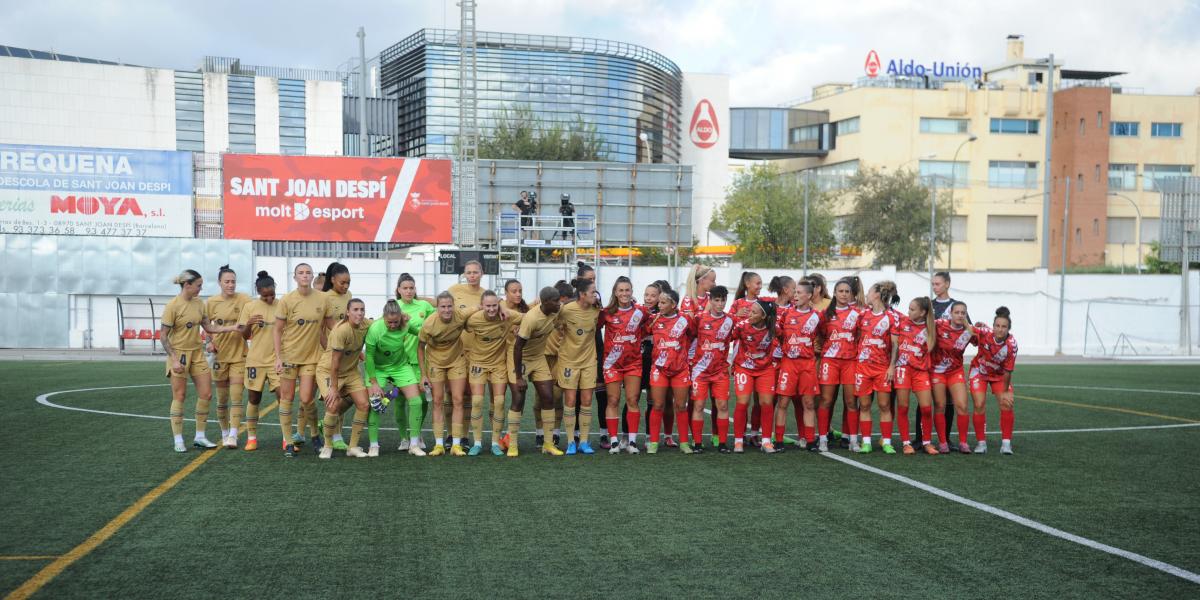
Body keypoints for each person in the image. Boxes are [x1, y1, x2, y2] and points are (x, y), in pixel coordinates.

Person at [160, 269, 238, 452]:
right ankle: (178, 439)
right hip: (179, 355)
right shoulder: (172, 306)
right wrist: (174, 359)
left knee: (206, 394)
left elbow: (208, 327)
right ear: (187, 285)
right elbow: (163, 336)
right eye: (198, 286)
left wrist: (232, 327)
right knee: (179, 396)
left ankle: (200, 436)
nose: (200, 289)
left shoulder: (199, 304)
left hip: (197, 353)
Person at [370, 273, 435, 453]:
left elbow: (435, 321)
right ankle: (404, 438)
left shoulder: (424, 306)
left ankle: (417, 433)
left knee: (422, 401)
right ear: (398, 290)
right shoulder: (393, 308)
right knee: (399, 401)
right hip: (399, 363)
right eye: (405, 288)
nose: (408, 291)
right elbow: (381, 328)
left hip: (420, 360)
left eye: (411, 287)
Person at [273, 263, 329, 457]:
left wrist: (331, 350)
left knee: (306, 399)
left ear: (312, 276)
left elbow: (326, 327)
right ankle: (288, 442)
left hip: (311, 357)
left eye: (308, 273)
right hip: (289, 356)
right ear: (295, 277)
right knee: (286, 398)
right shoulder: (287, 300)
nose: (305, 276)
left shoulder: (322, 298)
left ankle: (314, 435)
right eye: (301, 273)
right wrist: (278, 357)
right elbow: (277, 330)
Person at [363, 300, 425, 457]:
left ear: (401, 318)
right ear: (383, 317)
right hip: (378, 369)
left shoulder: (404, 324)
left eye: (396, 322)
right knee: (375, 403)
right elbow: (369, 356)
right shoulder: (375, 329)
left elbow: (420, 333)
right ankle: (374, 445)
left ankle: (414, 444)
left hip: (400, 367)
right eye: (389, 322)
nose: (392, 325)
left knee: (416, 401)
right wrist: (374, 383)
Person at [317, 298, 373, 459]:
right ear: (347, 313)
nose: (359, 313)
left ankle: (353, 447)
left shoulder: (366, 324)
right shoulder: (340, 330)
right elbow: (334, 364)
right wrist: (334, 388)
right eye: (355, 310)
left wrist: (401, 315)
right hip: (328, 371)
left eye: (362, 309)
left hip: (350, 371)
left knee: (363, 404)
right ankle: (327, 446)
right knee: (333, 406)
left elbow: (382, 322)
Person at [513, 286, 565, 456]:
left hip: (539, 358)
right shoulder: (531, 319)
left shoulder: (556, 310)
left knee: (548, 398)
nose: (560, 303)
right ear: (547, 302)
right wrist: (519, 377)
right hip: (523, 358)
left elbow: (568, 307)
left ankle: (548, 444)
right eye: (556, 301)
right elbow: (518, 347)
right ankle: (512, 444)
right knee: (518, 398)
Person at [600, 276, 649, 454]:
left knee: (632, 400)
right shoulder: (606, 313)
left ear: (632, 291)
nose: (624, 293)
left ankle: (632, 442)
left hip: (633, 363)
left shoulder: (641, 312)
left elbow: (654, 323)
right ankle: (613, 441)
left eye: (627, 290)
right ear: (615, 292)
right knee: (613, 400)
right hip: (612, 363)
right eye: (620, 290)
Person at [418, 292, 471, 456]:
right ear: (437, 307)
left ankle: (456, 444)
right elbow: (420, 348)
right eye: (443, 306)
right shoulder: (429, 325)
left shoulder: (460, 315)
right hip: (435, 363)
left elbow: (481, 306)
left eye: (449, 306)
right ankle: (439, 444)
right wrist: (423, 374)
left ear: (453, 306)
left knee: (458, 400)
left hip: (457, 361)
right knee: (438, 401)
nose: (447, 310)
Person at [774, 280, 823, 452]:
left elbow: (826, 334)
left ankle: (810, 440)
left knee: (808, 403)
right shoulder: (786, 314)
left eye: (800, 292)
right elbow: (777, 333)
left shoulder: (817, 316)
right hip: (789, 363)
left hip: (807, 364)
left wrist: (819, 348)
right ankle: (778, 440)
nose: (795, 295)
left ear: (809, 295)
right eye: (795, 292)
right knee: (783, 402)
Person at [205, 265, 250, 449]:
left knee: (237, 396)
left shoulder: (245, 300)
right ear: (219, 283)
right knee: (222, 399)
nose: (230, 285)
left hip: (239, 354)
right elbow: (207, 327)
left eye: (233, 281)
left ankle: (233, 435)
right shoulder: (211, 302)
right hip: (220, 356)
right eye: (227, 282)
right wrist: (209, 341)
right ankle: (224, 432)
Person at [854, 281, 901, 455]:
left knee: (884, 405)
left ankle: (886, 442)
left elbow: (896, 345)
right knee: (864, 405)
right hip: (863, 368)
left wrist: (891, 367)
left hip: (882, 368)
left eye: (869, 292)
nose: (866, 295)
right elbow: (857, 336)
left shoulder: (891, 317)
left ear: (876, 295)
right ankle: (866, 442)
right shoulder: (862, 315)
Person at [463, 290, 512, 456]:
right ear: (482, 305)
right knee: (476, 400)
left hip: (499, 364)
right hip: (478, 363)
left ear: (498, 304)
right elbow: (458, 319)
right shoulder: (474, 319)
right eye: (488, 306)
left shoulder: (506, 316)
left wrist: (504, 307)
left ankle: (495, 443)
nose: (491, 309)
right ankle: (477, 443)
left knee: (499, 402)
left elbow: (526, 318)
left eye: (494, 305)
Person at [556, 278, 602, 455]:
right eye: (592, 292)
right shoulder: (566, 310)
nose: (596, 295)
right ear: (582, 295)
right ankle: (570, 442)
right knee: (570, 401)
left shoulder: (596, 309)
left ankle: (583, 441)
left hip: (589, 361)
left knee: (587, 401)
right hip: (569, 361)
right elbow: (554, 324)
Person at [647, 289, 695, 454]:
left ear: (674, 305)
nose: (659, 305)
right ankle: (653, 442)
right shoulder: (653, 319)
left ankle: (683, 443)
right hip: (659, 368)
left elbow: (693, 335)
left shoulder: (684, 320)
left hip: (680, 369)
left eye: (663, 302)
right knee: (658, 404)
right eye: (658, 302)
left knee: (681, 406)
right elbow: (642, 332)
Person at [818, 277, 863, 452]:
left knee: (851, 401)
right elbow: (821, 335)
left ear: (851, 294)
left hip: (850, 361)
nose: (844, 294)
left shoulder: (857, 314)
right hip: (830, 360)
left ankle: (853, 440)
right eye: (841, 291)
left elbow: (860, 334)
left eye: (847, 291)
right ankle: (822, 439)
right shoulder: (825, 314)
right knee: (826, 400)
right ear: (835, 293)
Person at [689, 285, 735, 453]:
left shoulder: (731, 320)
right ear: (710, 301)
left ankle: (722, 443)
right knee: (699, 406)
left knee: (722, 406)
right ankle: (698, 443)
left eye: (723, 300)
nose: (720, 304)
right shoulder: (699, 318)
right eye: (717, 300)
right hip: (700, 371)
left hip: (720, 371)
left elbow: (740, 336)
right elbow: (690, 338)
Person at [967, 307, 1018, 455]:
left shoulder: (1011, 345)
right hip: (979, 371)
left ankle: (1006, 444)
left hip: (1000, 375)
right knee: (979, 404)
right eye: (997, 326)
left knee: (1006, 403)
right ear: (993, 326)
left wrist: (1005, 392)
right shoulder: (985, 333)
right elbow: (970, 330)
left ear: (1009, 329)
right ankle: (981, 443)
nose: (1000, 329)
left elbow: (1008, 371)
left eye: (1004, 327)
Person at [731, 300, 780, 453]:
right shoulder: (741, 326)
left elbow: (785, 340)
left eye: (754, 312)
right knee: (743, 402)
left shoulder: (774, 329)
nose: (750, 315)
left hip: (765, 369)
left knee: (766, 402)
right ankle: (738, 441)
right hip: (744, 367)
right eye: (750, 311)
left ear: (764, 316)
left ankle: (766, 441)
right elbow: (727, 339)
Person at [237, 271, 279, 452]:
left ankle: (287, 438)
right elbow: (244, 335)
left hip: (277, 360)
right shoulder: (250, 307)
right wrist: (249, 324)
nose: (269, 299)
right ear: (258, 292)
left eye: (272, 295)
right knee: (254, 397)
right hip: (255, 360)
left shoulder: (283, 305)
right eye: (265, 296)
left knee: (283, 396)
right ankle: (252, 437)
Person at [892, 297, 939, 455]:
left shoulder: (930, 328)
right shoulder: (902, 322)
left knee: (926, 408)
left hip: (920, 371)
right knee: (903, 407)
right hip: (902, 369)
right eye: (909, 308)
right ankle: (906, 443)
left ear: (923, 312)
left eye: (912, 309)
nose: (908, 311)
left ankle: (927, 442)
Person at [449, 260, 486, 446]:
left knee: (471, 395)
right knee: (453, 395)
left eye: (475, 272)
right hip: (455, 350)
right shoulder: (455, 290)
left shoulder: (485, 295)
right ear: (464, 274)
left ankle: (464, 435)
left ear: (482, 273)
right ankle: (451, 433)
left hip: (477, 352)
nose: (472, 275)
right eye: (468, 272)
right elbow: (440, 305)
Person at [921, 271, 959, 445]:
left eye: (938, 284)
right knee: (925, 400)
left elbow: (966, 331)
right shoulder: (929, 306)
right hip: (930, 361)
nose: (934, 287)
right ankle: (921, 438)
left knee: (948, 401)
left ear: (947, 284)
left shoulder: (956, 307)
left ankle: (946, 438)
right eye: (933, 284)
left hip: (950, 364)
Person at [932, 301, 974, 453]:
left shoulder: (968, 331)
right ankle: (942, 442)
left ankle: (963, 442)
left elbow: (981, 341)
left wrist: (983, 327)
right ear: (951, 314)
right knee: (940, 405)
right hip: (937, 371)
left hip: (955, 371)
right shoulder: (939, 324)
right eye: (957, 312)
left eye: (963, 313)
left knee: (962, 406)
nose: (960, 315)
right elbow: (924, 326)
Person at [318, 261, 352, 451]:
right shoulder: (324, 297)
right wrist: (327, 350)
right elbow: (321, 329)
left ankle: (332, 430)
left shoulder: (349, 296)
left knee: (342, 394)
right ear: (332, 280)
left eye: (348, 282)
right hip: (327, 354)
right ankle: (332, 436)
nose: (345, 286)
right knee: (329, 396)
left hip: (344, 353)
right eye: (342, 283)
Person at [500, 279, 530, 457]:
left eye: (520, 290)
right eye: (514, 291)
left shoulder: (524, 310)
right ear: (506, 292)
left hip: (514, 357)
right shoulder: (498, 305)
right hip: (495, 358)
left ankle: (509, 437)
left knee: (519, 395)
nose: (518, 294)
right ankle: (497, 439)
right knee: (497, 401)